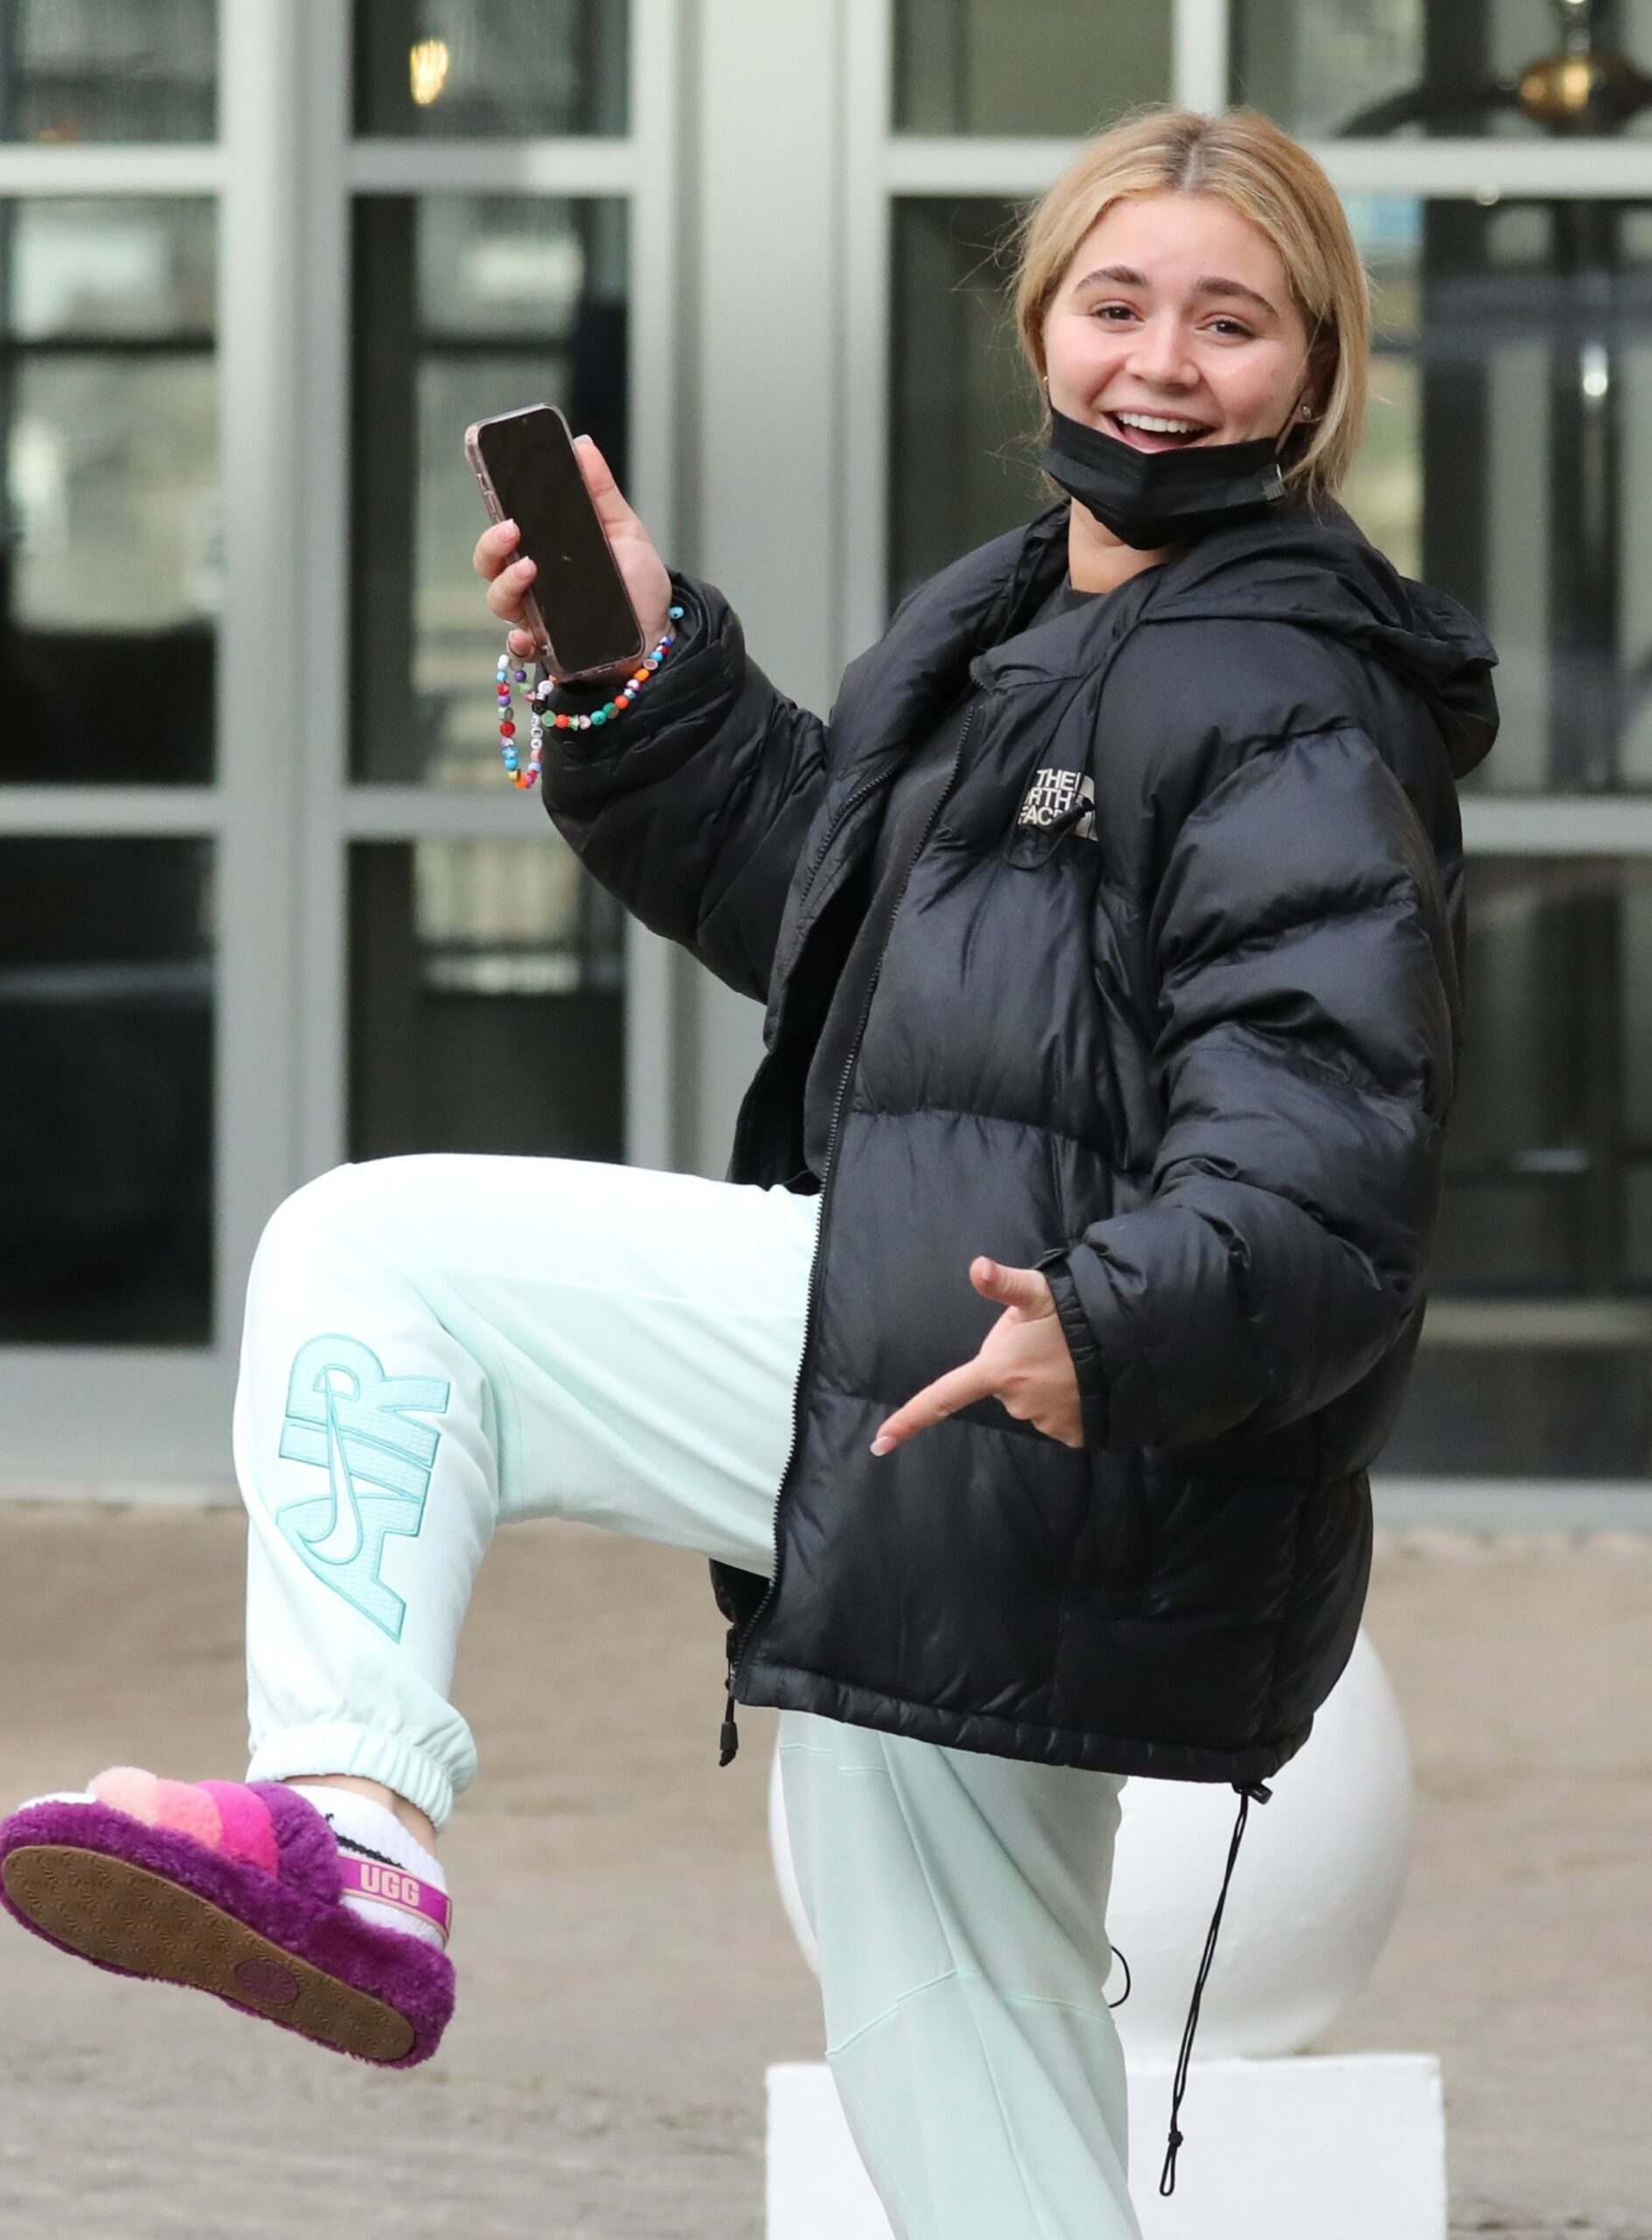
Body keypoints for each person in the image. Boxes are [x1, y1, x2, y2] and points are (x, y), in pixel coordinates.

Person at [0, 104, 1496, 2236]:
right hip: (987, 1418)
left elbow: (1328, 1121)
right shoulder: (1005, 625)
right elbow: (837, 906)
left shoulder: (1286, 692)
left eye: (1232, 320)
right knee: (966, 2070)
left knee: (378, 1257)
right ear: (1042, 329)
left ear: (1317, 372)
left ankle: (357, 1822)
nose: (1163, 361)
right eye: (1117, 301)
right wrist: (641, 673)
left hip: (1032, 1372)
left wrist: (1118, 1312)